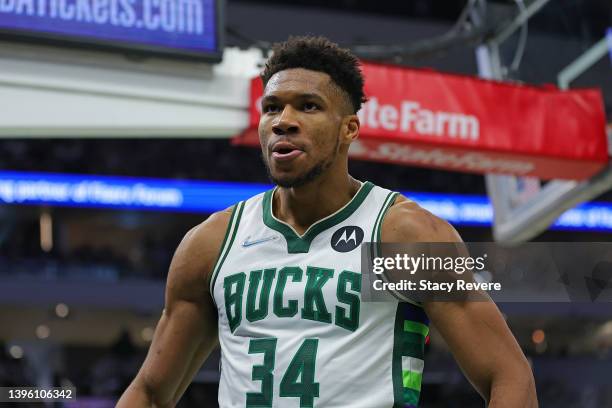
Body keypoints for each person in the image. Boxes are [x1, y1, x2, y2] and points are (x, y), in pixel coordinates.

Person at [118, 36, 537, 408]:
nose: (283, 119)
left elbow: (509, 377)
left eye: (308, 106)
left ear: (348, 129)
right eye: (272, 107)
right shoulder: (213, 242)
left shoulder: (401, 234)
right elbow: (151, 393)